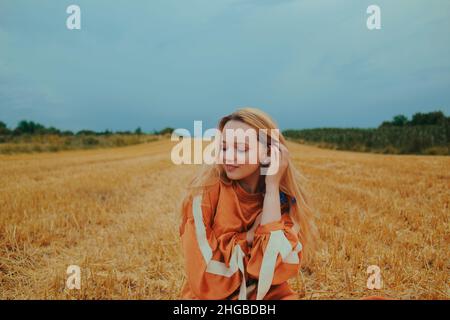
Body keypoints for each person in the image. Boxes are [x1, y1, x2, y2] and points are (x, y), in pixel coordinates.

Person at [178, 107, 318, 300]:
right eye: (224, 147)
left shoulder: (283, 201)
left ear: (269, 153)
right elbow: (206, 279)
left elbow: (268, 269)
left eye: (241, 148)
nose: (228, 156)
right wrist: (251, 236)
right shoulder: (204, 194)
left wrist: (271, 188)